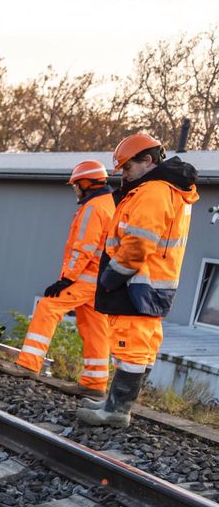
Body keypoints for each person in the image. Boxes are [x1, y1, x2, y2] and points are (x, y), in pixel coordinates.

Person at [77, 134, 198, 427]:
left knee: (130, 348)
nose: (124, 174)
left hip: (137, 283)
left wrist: (112, 275)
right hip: (149, 283)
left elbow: (138, 243)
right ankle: (116, 403)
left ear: (148, 160)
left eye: (128, 167)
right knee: (140, 348)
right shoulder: (161, 189)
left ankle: (117, 410)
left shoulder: (153, 192)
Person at [10, 160, 115, 398]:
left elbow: (84, 247)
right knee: (95, 327)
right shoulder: (110, 204)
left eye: (76, 185)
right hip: (101, 280)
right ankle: (95, 383)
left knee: (48, 307)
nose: (74, 190)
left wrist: (66, 279)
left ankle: (28, 363)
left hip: (85, 277)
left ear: (86, 183)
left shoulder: (93, 208)